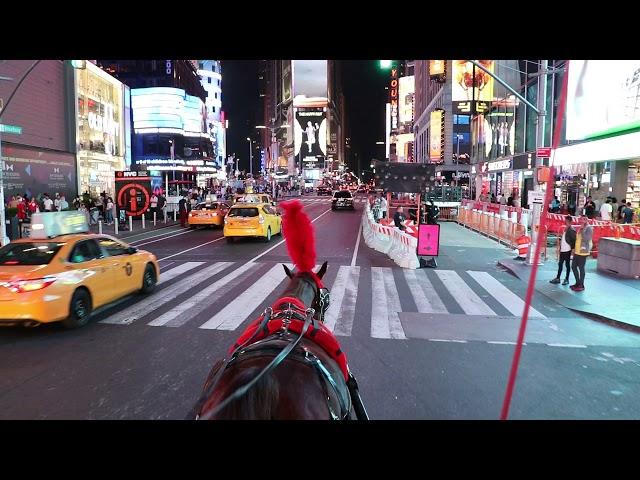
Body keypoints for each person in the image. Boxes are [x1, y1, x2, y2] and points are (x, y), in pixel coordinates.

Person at [550, 216, 576, 286]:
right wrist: (560, 248)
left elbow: (573, 240)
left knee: (567, 264)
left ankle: (566, 279)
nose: (565, 222)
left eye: (567, 221)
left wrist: (573, 249)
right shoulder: (566, 229)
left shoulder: (571, 230)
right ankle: (558, 278)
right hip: (563, 249)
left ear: (570, 222)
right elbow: (564, 239)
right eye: (565, 221)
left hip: (567, 250)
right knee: (560, 264)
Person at [571, 215, 593, 292]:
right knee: (573, 267)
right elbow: (577, 239)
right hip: (577, 251)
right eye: (580, 220)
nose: (580, 221)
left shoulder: (589, 228)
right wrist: (573, 249)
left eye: (582, 220)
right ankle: (577, 282)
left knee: (581, 268)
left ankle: (581, 285)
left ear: (586, 220)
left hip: (583, 252)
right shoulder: (580, 228)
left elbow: (586, 239)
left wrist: (582, 230)